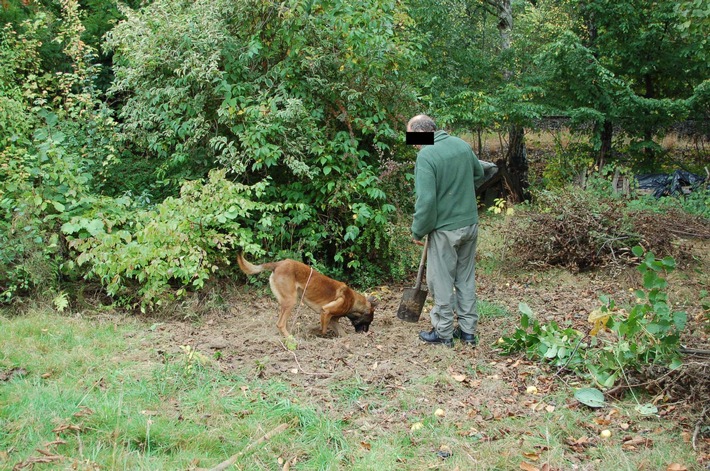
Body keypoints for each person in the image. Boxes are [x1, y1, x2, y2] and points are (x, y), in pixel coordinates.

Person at [408, 114, 485, 348]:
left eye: (411, 136)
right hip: (470, 225)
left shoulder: (427, 155)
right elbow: (479, 174)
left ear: (421, 133)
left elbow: (426, 201)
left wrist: (417, 231)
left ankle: (443, 334)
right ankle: (468, 332)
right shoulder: (461, 145)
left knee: (440, 281)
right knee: (465, 279)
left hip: (446, 230)